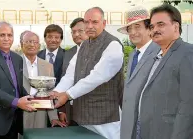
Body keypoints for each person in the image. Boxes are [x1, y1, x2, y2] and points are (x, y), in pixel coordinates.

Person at [50, 7, 124, 139]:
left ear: (104, 23)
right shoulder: (84, 45)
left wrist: (67, 95)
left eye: (94, 22)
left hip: (105, 117)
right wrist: (57, 91)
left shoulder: (113, 45)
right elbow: (71, 74)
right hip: (83, 116)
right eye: (86, 22)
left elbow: (97, 77)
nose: (90, 26)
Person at [136, 4, 193, 139]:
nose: (155, 29)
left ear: (176, 27)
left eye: (160, 24)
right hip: (150, 131)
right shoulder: (157, 56)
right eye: (152, 26)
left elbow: (189, 104)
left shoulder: (187, 53)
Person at [117, 6, 160, 139]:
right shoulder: (132, 55)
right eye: (130, 29)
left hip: (149, 125)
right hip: (129, 123)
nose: (133, 32)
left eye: (137, 27)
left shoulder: (159, 53)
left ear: (149, 29)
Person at [20, 31, 66, 129]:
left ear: (39, 45)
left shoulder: (48, 66)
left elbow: (50, 92)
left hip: (41, 113)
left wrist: (53, 117)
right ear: (21, 44)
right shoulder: (15, 63)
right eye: (28, 41)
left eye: (35, 42)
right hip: (19, 112)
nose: (32, 44)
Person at [59, 17, 88, 126]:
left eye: (80, 31)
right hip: (71, 108)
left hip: (91, 109)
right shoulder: (68, 54)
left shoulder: (99, 51)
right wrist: (62, 110)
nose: (76, 35)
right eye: (73, 32)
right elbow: (66, 78)